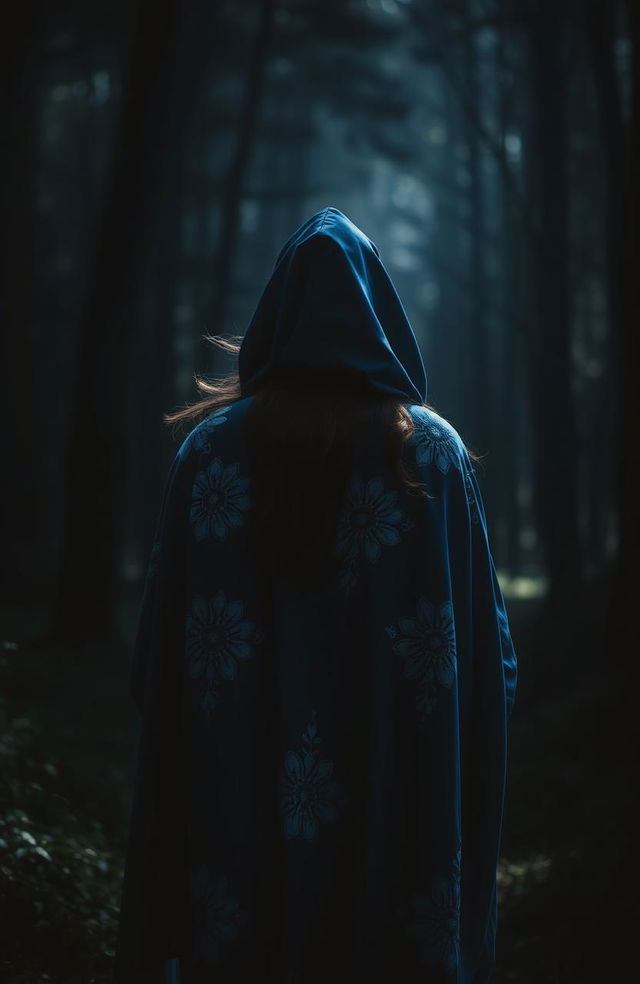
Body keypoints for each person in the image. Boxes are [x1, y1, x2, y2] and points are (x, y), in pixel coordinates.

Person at [113, 206, 517, 984]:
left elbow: (156, 657)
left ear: (279, 311)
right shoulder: (432, 457)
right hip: (401, 811)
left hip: (237, 818)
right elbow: (491, 664)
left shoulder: (210, 455)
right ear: (380, 315)